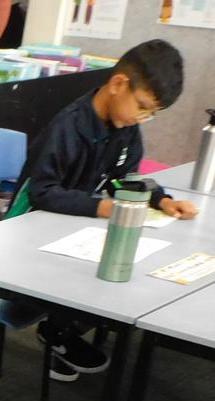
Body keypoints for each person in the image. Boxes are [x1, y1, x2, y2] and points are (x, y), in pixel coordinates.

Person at [11, 39, 198, 381]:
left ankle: (66, 328)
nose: (144, 118)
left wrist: (162, 200)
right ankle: (58, 331)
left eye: (152, 114)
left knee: (129, 263)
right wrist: (105, 207)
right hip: (28, 231)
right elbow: (42, 194)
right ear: (118, 84)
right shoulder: (68, 126)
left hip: (72, 227)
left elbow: (129, 178)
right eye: (142, 107)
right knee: (102, 275)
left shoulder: (126, 128)